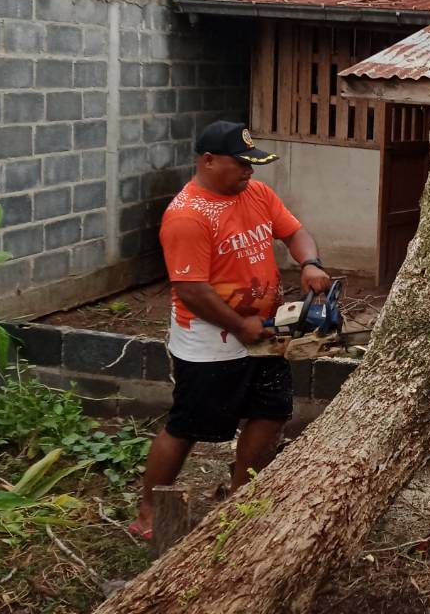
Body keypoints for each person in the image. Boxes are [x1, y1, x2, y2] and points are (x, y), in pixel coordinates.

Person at [130, 120, 331, 537]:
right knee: (187, 426)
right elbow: (191, 290)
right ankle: (149, 510)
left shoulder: (256, 194)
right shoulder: (187, 216)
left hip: (263, 330)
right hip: (211, 342)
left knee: (270, 411)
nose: (249, 172)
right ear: (208, 160)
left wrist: (310, 263)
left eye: (252, 163)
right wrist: (241, 325)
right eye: (241, 164)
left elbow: (295, 231)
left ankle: (243, 498)